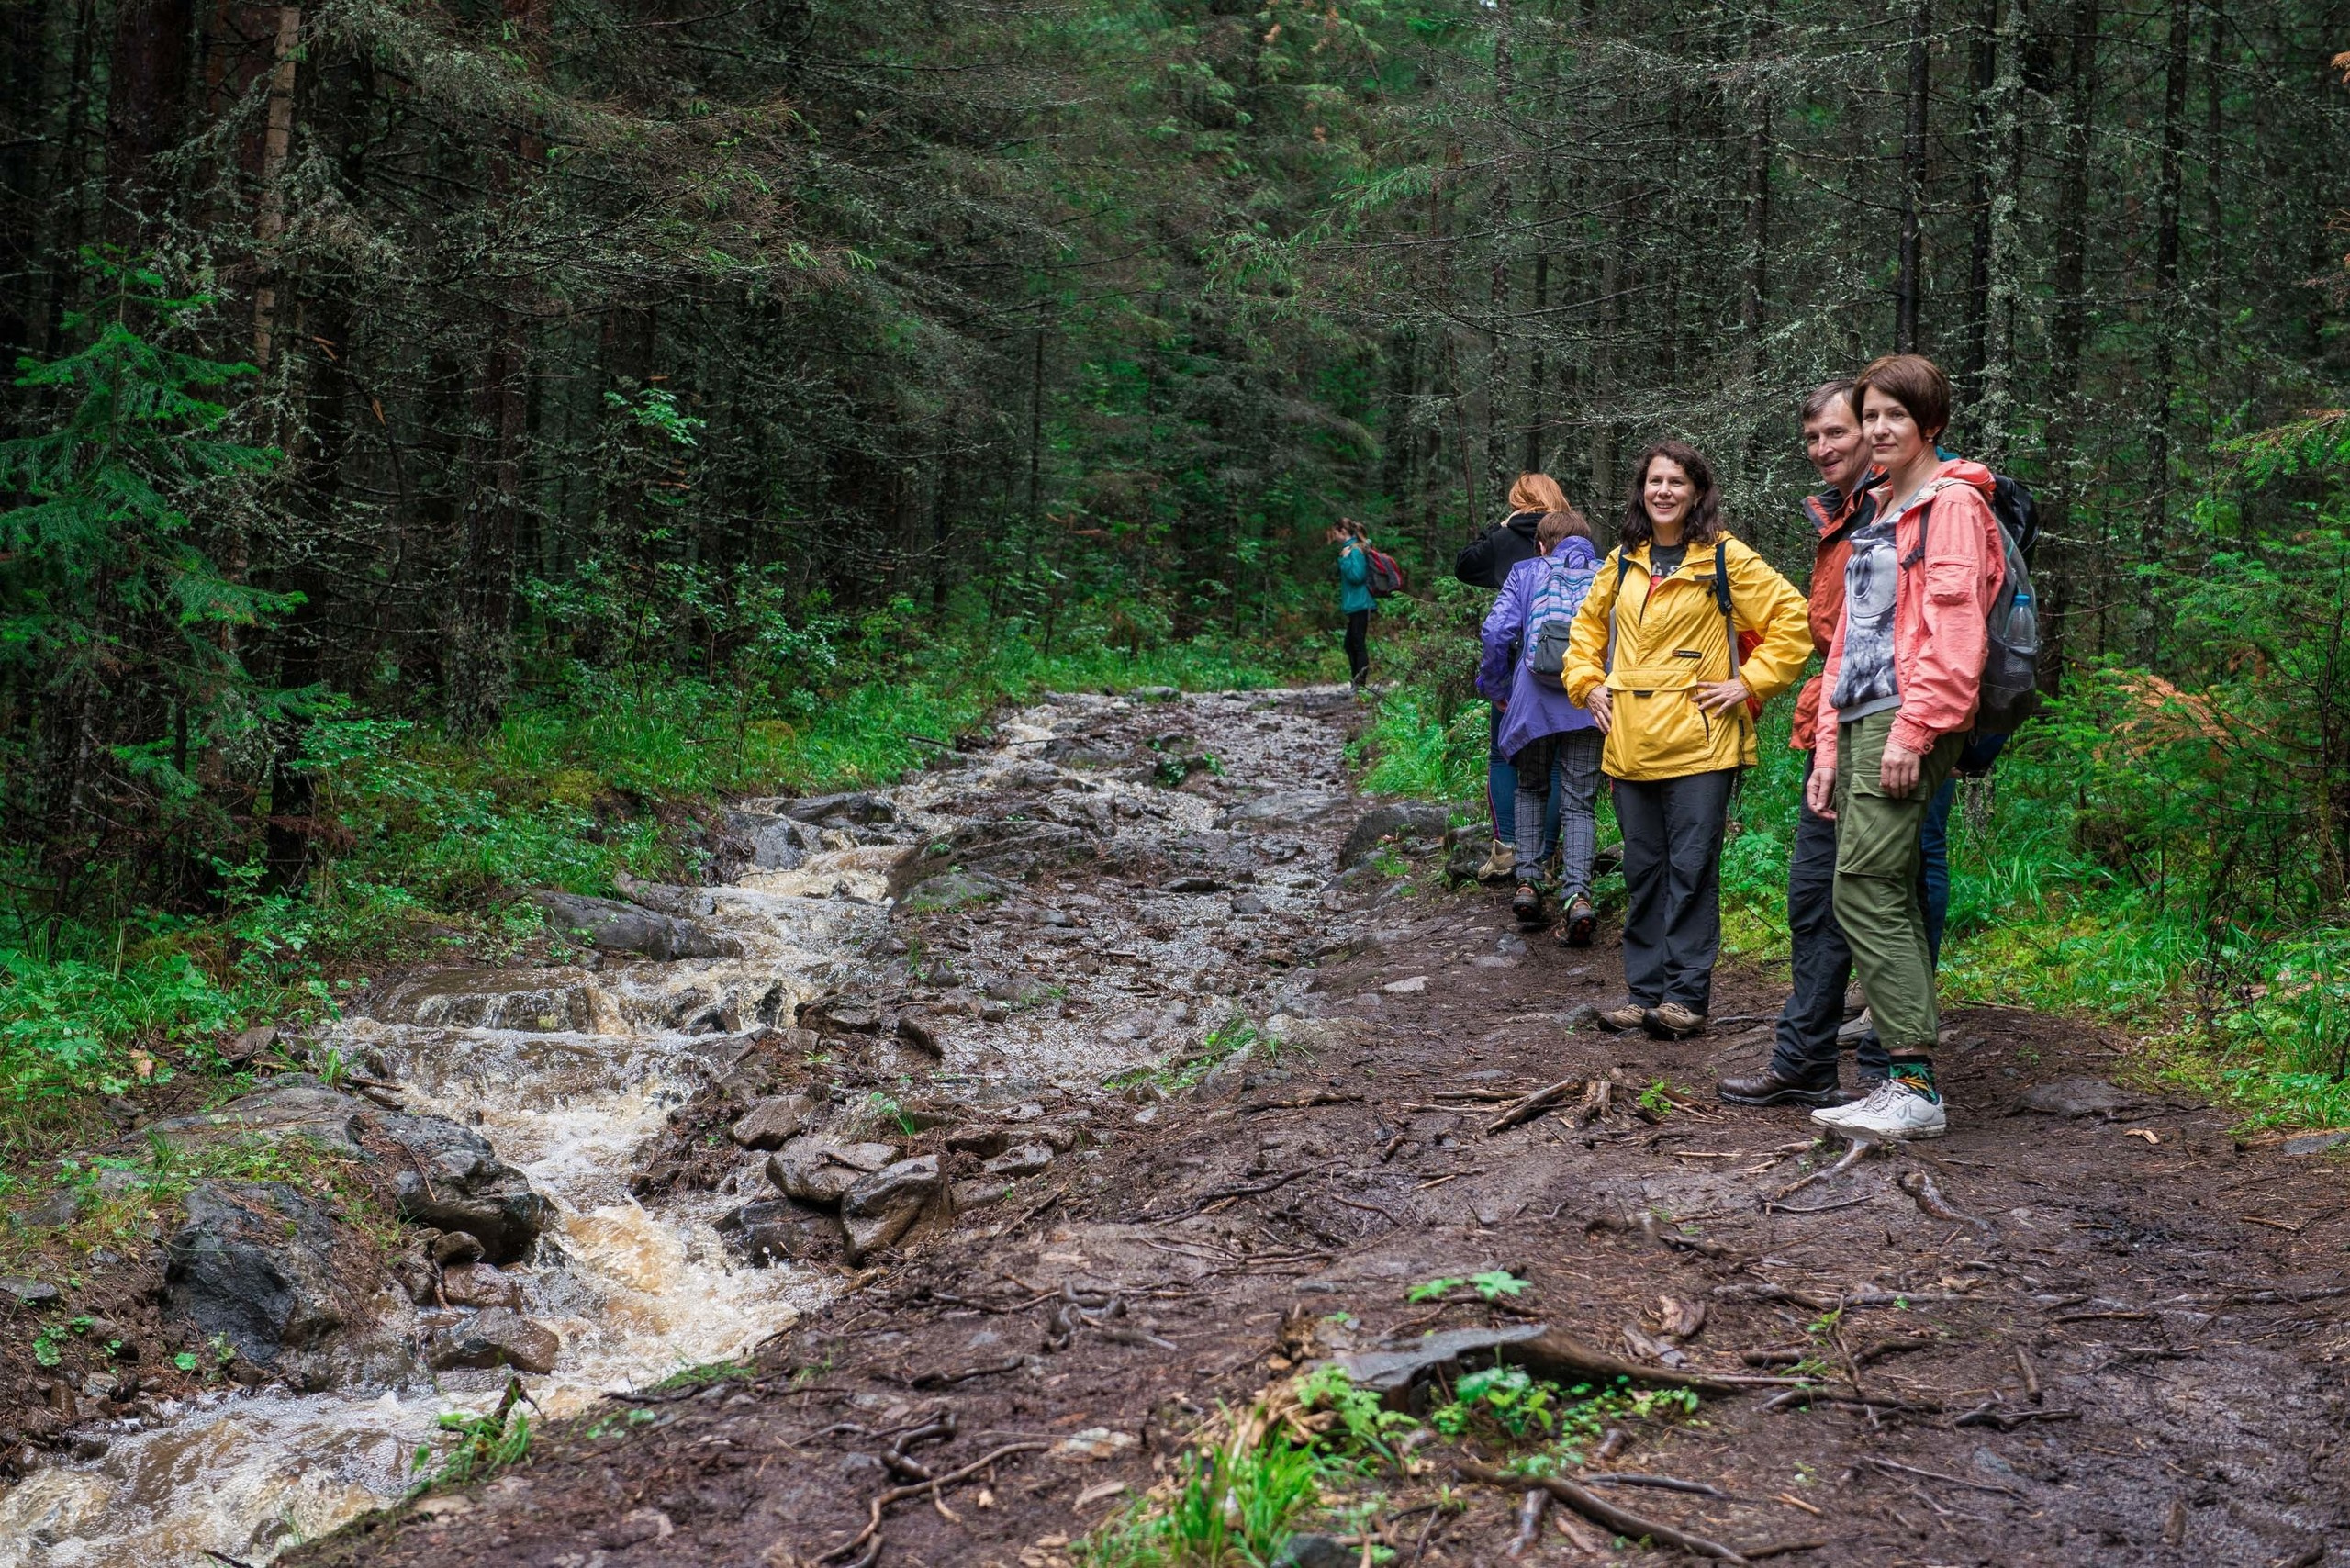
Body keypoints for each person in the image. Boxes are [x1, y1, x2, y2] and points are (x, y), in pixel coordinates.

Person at [1803, 354, 2006, 1142]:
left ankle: (1913, 1083)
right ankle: (1903, 1078)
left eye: (1894, 416)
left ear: (1930, 423)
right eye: (1872, 415)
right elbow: (1850, 637)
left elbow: (1958, 636)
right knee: (1870, 887)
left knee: (1864, 886)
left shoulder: (1951, 505)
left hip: (1906, 717)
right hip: (1861, 716)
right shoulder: (1883, 505)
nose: (1880, 429)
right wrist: (1828, 743)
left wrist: (1918, 731)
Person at [1562, 442, 1809, 1039]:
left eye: (1676, 481)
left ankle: (1684, 999)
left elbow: (1793, 619)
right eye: (1654, 481)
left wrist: (1747, 682)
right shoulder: (1625, 561)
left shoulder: (1723, 558)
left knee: (1692, 870)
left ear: (1697, 492)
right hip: (1630, 741)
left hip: (1701, 743)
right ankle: (1643, 994)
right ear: (1641, 491)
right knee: (1643, 871)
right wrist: (1586, 683)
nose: (1664, 491)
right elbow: (1585, 629)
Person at [1476, 509, 1604, 945]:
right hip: (1588, 702)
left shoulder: (1526, 572)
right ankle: (1577, 894)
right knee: (1580, 801)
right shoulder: (1609, 575)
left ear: (1543, 545)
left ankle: (1528, 883)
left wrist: (1494, 685)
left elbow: (1496, 632)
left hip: (1531, 701)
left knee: (1531, 787)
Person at [1457, 473, 1572, 882]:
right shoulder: (1572, 534)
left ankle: (1507, 849)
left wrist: (1499, 528)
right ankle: (1549, 855)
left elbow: (1465, 566)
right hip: (1563, 660)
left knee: (1502, 755)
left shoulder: (1506, 538)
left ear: (1518, 502)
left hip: (1513, 661)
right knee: (1557, 763)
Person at [1334, 519, 1373, 688]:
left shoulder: (1354, 551)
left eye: (1335, 533)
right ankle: (1356, 683)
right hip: (1355, 604)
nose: (1334, 537)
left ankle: (1360, 685)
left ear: (1343, 532)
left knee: (1356, 643)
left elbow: (1357, 576)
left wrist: (1344, 560)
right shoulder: (1351, 549)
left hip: (1361, 604)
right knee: (1350, 644)